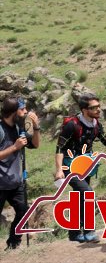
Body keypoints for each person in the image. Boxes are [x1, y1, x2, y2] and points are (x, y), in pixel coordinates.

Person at [54, 93, 106, 243]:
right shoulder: (72, 124)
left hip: (85, 165)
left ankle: (75, 234)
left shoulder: (96, 124)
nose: (98, 110)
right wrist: (59, 170)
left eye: (99, 106)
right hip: (69, 165)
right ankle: (90, 231)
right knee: (87, 193)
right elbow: (59, 148)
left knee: (80, 198)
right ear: (84, 110)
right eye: (94, 108)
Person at [0, 98, 40, 250]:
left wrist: (36, 127)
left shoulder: (19, 128)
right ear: (12, 112)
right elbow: (15, 147)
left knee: (23, 210)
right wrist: (14, 147)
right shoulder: (0, 129)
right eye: (22, 109)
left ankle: (13, 244)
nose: (25, 112)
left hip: (15, 182)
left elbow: (35, 145)